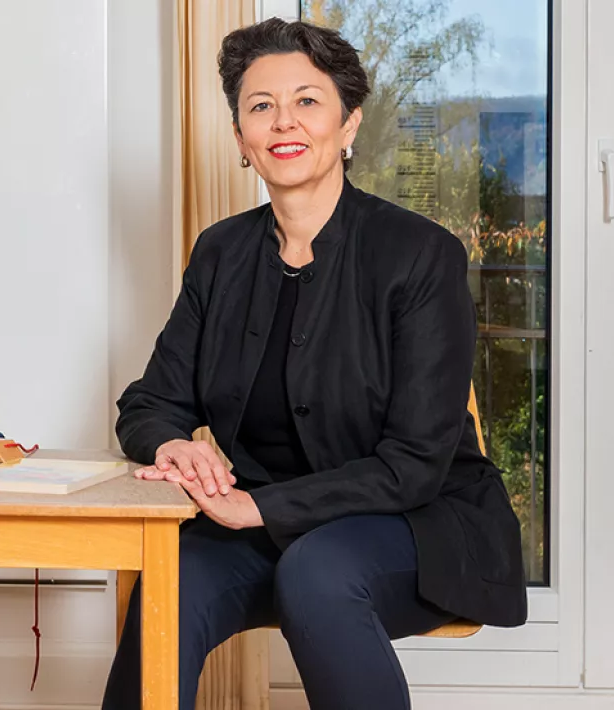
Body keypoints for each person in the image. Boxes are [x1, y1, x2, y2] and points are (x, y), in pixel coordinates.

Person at [102, 18, 527, 710]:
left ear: (348, 123)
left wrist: (255, 507)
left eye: (307, 100)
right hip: (263, 527)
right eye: (260, 106)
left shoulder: (420, 255)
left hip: (418, 522)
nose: (282, 122)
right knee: (170, 573)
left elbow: (415, 463)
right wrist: (175, 444)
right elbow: (149, 403)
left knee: (318, 572)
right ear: (241, 139)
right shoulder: (221, 253)